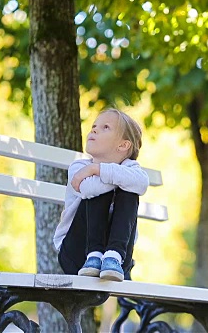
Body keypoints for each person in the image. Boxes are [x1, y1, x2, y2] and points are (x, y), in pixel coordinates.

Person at [53, 108, 149, 281]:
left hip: (119, 261)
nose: (94, 129)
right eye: (94, 126)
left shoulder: (129, 169)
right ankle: (95, 256)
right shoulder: (79, 167)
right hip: (77, 254)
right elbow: (89, 189)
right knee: (100, 188)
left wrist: (97, 169)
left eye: (105, 127)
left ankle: (112, 255)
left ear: (123, 145)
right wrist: (101, 171)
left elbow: (141, 183)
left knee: (129, 191)